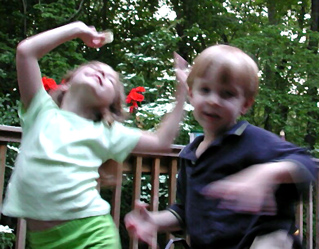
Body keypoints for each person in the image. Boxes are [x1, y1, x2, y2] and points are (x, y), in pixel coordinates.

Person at [1, 21, 188, 249]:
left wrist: (181, 96)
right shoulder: (40, 111)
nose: (102, 72)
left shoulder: (107, 133)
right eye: (94, 67)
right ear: (66, 84)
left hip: (92, 233)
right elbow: (25, 52)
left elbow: (161, 141)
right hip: (43, 241)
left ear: (109, 105)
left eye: (110, 79)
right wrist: (78, 29)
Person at [124, 44, 317, 249]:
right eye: (205, 90)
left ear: (245, 105)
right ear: (191, 94)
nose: (214, 100)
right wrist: (154, 221)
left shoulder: (252, 139)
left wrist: (266, 174)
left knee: (274, 241)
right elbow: (185, 213)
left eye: (227, 94)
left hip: (262, 242)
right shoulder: (189, 156)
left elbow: (308, 164)